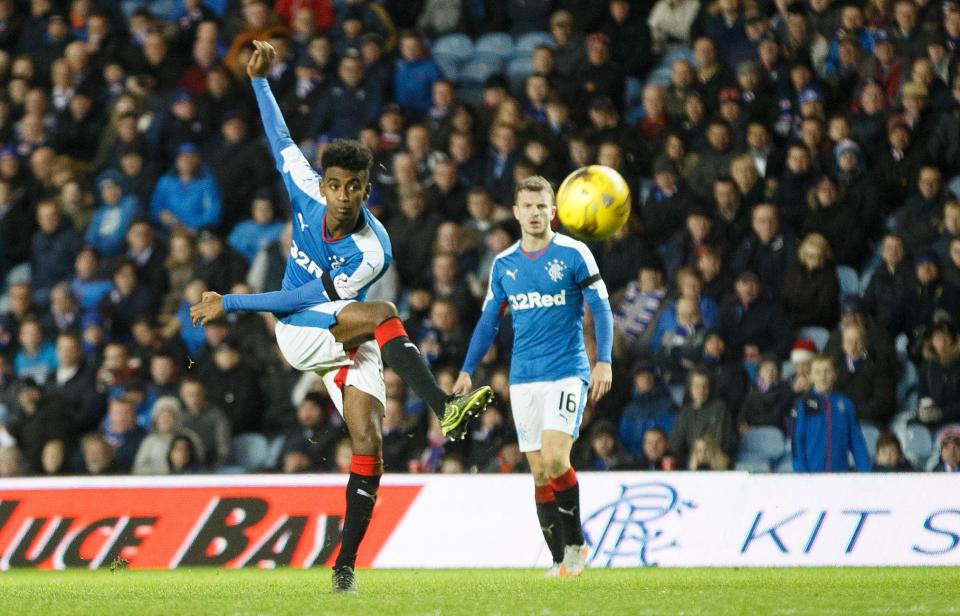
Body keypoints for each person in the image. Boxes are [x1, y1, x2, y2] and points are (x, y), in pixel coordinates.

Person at [188, 40, 491, 594]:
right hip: (300, 334)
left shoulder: (373, 250)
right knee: (384, 311)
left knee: (369, 445)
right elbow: (279, 138)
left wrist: (230, 301)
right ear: (322, 184)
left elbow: (315, 298)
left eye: (355, 187)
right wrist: (259, 80)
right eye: (335, 185)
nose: (343, 196)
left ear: (367, 190)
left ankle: (344, 568)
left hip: (341, 333)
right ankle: (444, 408)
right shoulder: (305, 189)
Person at [453, 175, 614, 579]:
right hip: (523, 379)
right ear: (515, 212)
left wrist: (604, 360)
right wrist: (467, 370)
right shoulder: (504, 264)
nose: (535, 213)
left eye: (542, 206)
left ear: (553, 212)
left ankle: (576, 545)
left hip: (567, 372)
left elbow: (602, 307)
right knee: (540, 471)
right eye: (528, 206)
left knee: (558, 458)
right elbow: (489, 321)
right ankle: (559, 559)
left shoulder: (575, 254)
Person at [792, 355, 872, 473]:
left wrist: (865, 471)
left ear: (835, 374)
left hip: (840, 474)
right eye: (818, 372)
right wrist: (802, 474)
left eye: (827, 371)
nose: (823, 376)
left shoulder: (845, 404)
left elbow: (856, 441)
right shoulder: (803, 404)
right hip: (811, 475)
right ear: (811, 376)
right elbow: (797, 442)